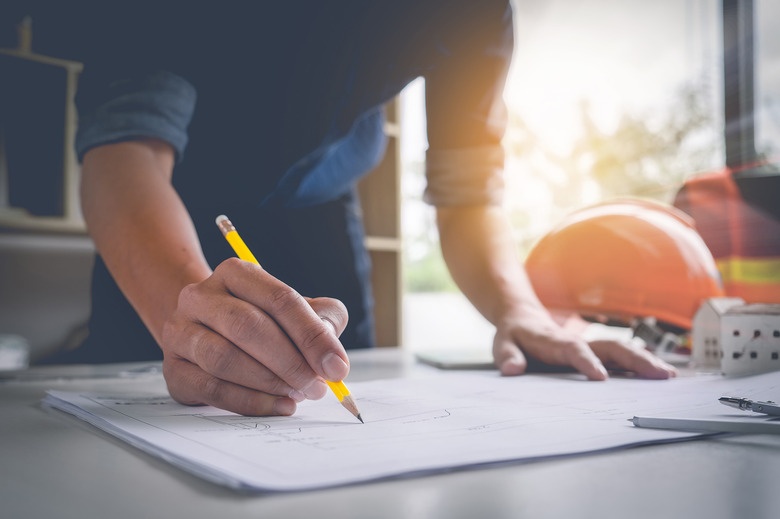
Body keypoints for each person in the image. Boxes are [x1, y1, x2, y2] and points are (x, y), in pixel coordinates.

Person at [65, 0, 675, 416]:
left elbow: (468, 193)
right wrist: (184, 311)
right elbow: (126, 152)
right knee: (160, 409)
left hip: (320, 209)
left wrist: (521, 311)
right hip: (162, 211)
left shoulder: (478, 14)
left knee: (330, 383)